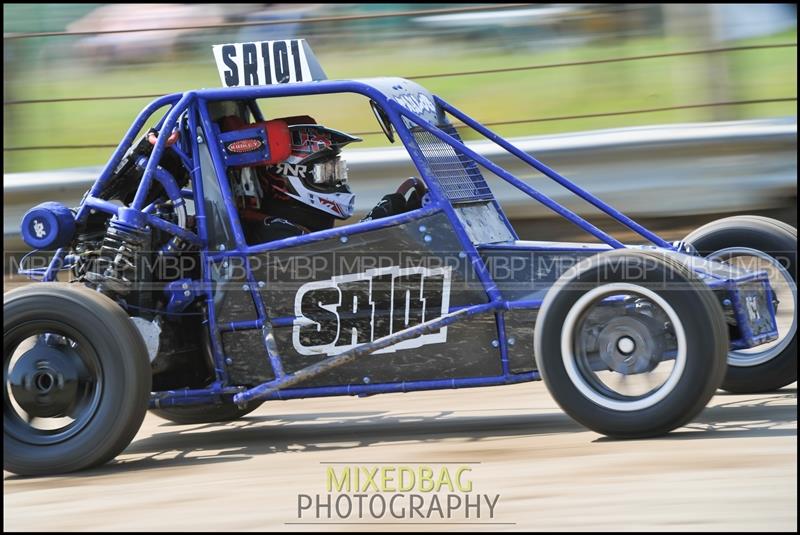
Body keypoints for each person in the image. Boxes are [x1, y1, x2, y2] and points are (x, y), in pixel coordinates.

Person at [223, 114, 425, 244]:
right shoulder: (278, 233)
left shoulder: (293, 226)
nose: (335, 180)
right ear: (284, 177)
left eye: (336, 171)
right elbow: (339, 271)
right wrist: (375, 225)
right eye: (326, 173)